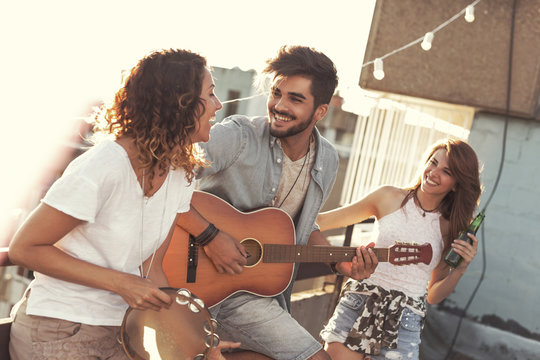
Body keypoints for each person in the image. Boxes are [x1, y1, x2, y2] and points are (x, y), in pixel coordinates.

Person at [8, 48, 240, 360]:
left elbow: (151, 269)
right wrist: (121, 284)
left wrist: (199, 344)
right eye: (210, 94)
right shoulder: (104, 166)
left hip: (120, 331)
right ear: (180, 103)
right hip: (58, 328)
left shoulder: (179, 172)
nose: (218, 105)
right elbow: (25, 248)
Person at [176, 45, 379, 360]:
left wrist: (339, 261)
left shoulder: (326, 159)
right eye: (276, 93)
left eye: (295, 99)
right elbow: (165, 172)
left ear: (321, 111)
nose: (279, 106)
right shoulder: (239, 135)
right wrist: (209, 236)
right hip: (186, 287)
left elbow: (303, 223)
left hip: (250, 294)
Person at [318, 138, 483, 360]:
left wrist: (461, 269)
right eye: (432, 163)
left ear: (456, 184)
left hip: (406, 320)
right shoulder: (388, 197)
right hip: (361, 301)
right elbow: (321, 222)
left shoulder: (451, 228)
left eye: (446, 171)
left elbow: (433, 295)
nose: (433, 172)